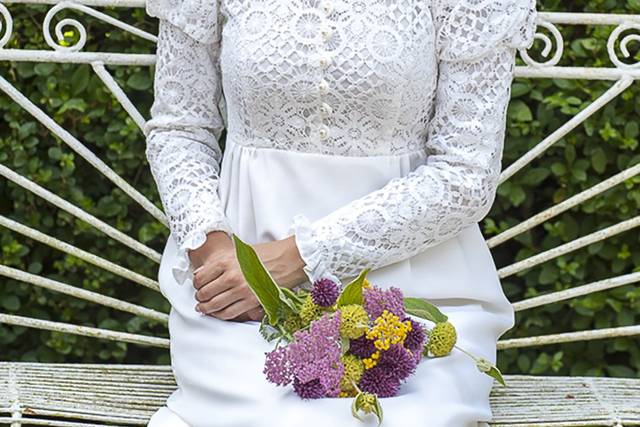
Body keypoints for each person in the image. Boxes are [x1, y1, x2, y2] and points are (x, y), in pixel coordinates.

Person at [143, 0, 538, 426]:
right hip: (241, 303)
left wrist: (297, 259)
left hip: (417, 296)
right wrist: (215, 253)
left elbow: (466, 176)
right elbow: (181, 130)